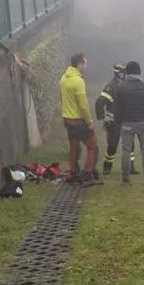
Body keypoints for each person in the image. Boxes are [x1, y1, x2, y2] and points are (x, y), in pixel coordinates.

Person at [60, 53, 102, 186]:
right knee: (93, 146)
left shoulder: (63, 78)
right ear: (79, 64)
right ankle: (87, 174)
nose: (86, 66)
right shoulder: (78, 81)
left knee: (74, 147)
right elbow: (83, 105)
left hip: (67, 120)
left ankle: (73, 172)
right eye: (85, 63)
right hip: (78, 121)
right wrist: (89, 122)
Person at [113, 61, 144, 186]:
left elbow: (117, 109)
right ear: (139, 72)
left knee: (126, 151)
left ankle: (126, 180)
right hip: (143, 123)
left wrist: (119, 122)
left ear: (126, 72)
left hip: (127, 123)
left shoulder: (121, 88)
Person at [95, 62, 137, 176]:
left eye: (126, 72)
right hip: (114, 122)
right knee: (113, 145)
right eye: (123, 72)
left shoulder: (128, 84)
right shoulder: (110, 86)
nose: (125, 75)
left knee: (130, 144)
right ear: (118, 73)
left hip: (126, 120)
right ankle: (107, 167)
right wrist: (103, 117)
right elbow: (99, 102)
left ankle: (131, 167)